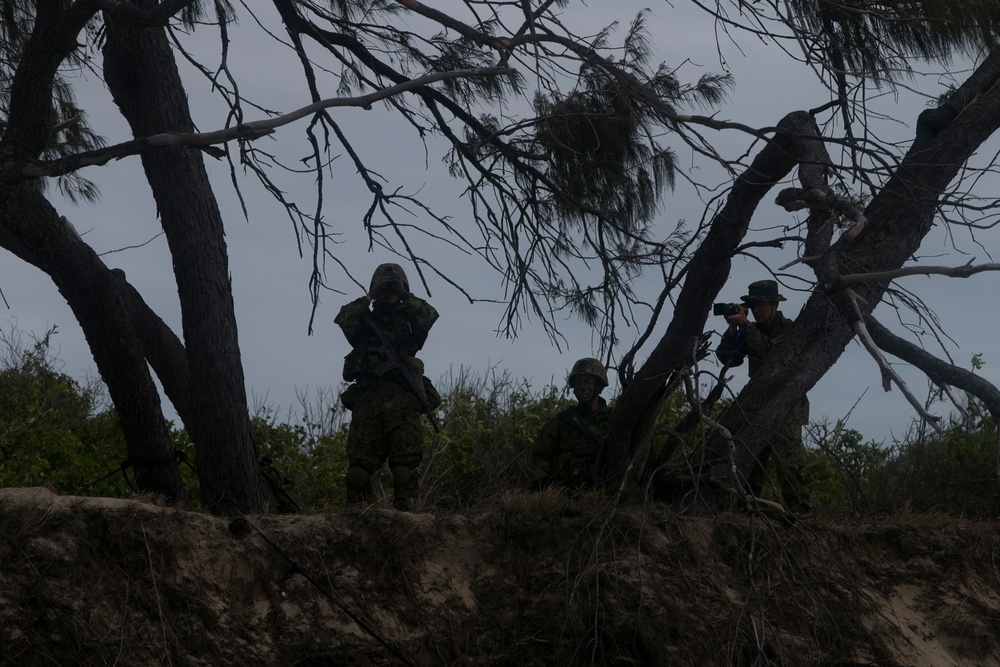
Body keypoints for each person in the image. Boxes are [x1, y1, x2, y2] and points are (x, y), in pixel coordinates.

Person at [335, 263, 438, 511]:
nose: (390, 290)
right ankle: (358, 518)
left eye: (395, 285)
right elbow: (343, 317)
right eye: (386, 285)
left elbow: (430, 314)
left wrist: (405, 295)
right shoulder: (363, 320)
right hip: (369, 402)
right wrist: (369, 296)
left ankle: (406, 520)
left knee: (403, 468)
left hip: (403, 401)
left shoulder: (412, 318)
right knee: (358, 473)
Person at [716, 279, 811, 512]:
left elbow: (772, 355)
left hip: (787, 404)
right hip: (759, 404)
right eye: (754, 305)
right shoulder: (752, 330)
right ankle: (745, 512)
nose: (757, 310)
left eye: (762, 305)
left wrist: (746, 326)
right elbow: (729, 358)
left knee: (788, 463)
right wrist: (733, 329)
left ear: (774, 305)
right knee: (752, 461)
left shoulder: (790, 329)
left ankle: (803, 515)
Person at [530, 358, 614, 491]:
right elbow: (540, 456)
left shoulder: (614, 420)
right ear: (574, 387)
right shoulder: (562, 422)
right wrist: (542, 484)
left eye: (588, 382)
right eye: (579, 382)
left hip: (605, 496)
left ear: (599, 386)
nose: (583, 387)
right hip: (564, 496)